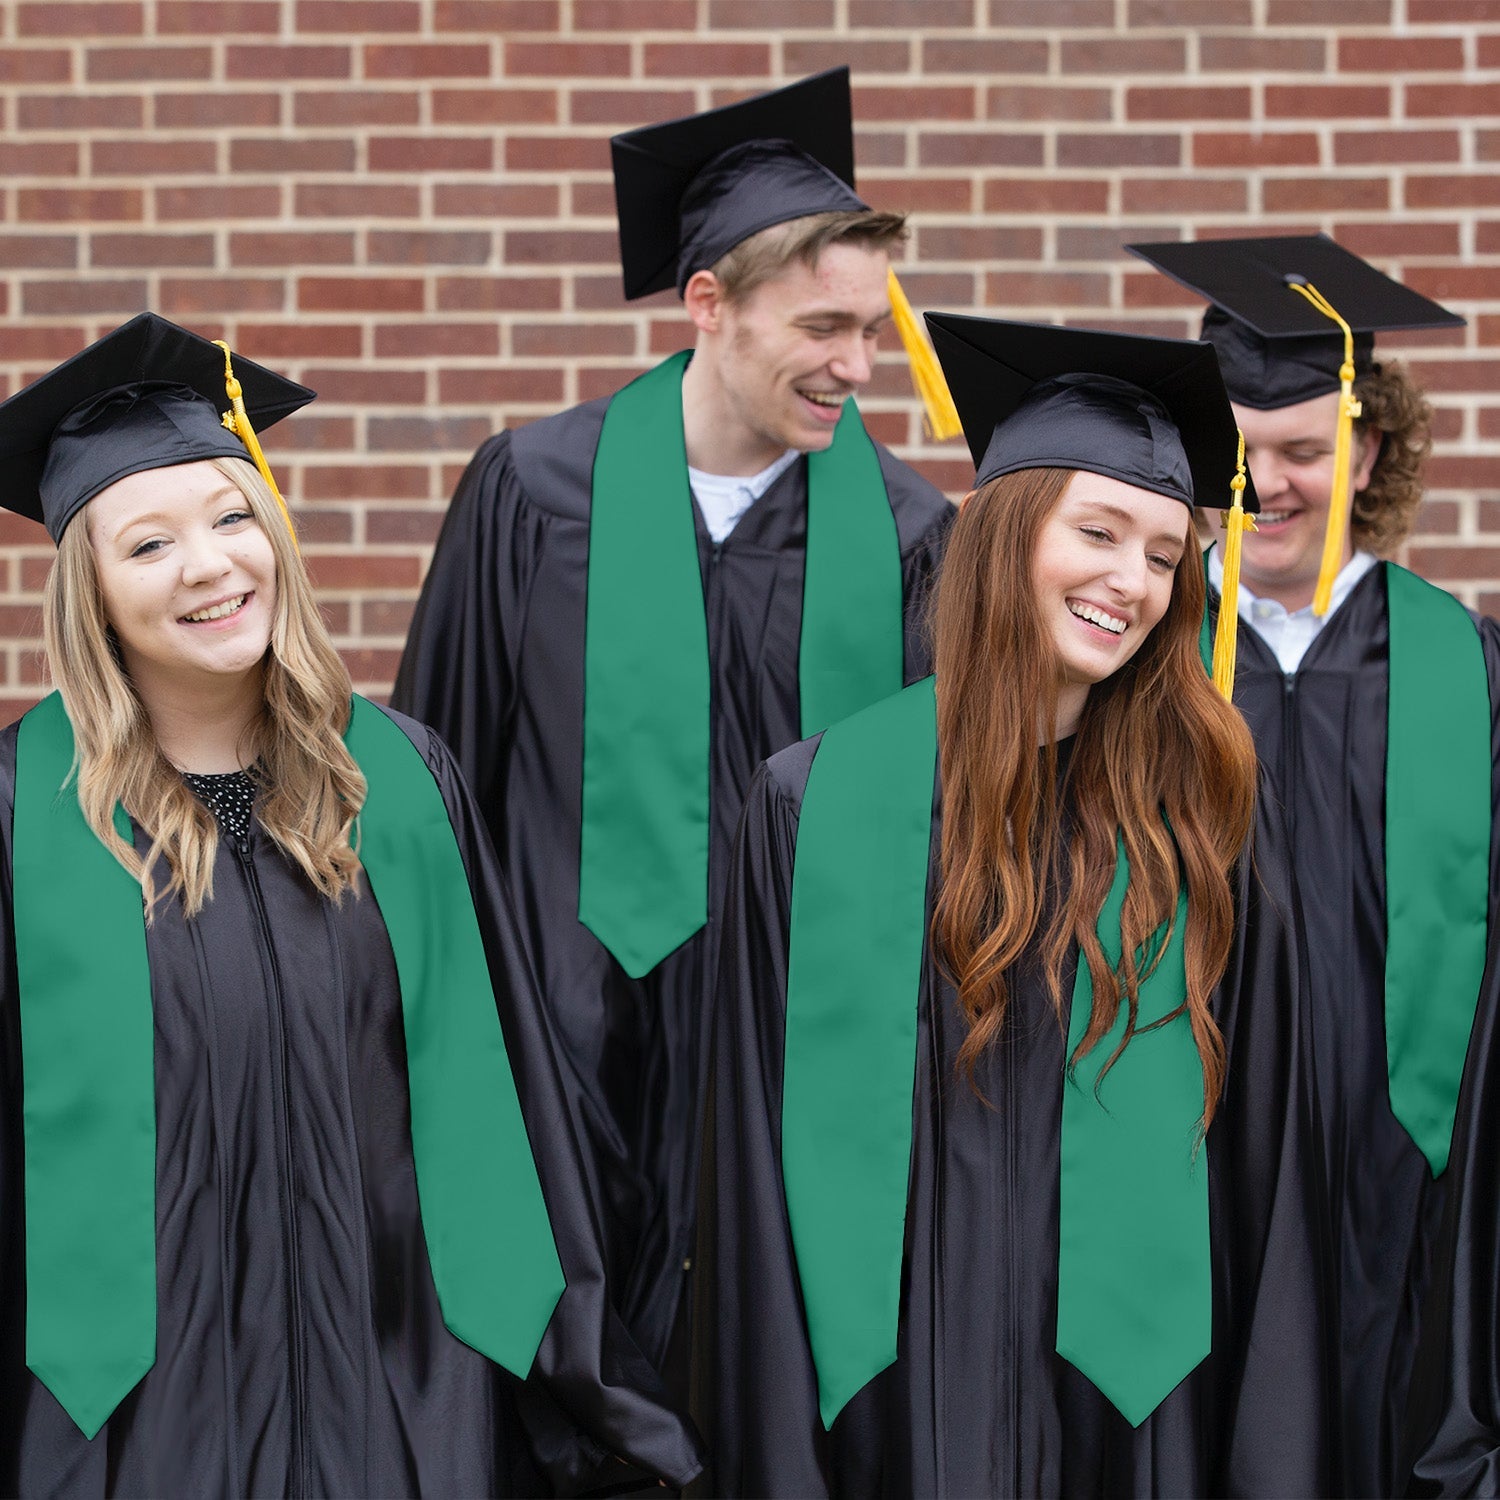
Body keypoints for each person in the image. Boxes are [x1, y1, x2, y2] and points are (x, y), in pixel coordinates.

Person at [0, 312, 704, 1497]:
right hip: (135, 1424)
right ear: (94, 598)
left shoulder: (401, 783)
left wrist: (586, 1389)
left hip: (403, 1389)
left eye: (233, 517)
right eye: (150, 544)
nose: (213, 565)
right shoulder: (27, 815)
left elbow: (512, 1104)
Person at [692, 314, 1332, 1496]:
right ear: (1002, 535)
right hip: (889, 1423)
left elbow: (1269, 1182)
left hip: (1143, 1427)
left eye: (1162, 552)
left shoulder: (1205, 822)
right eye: (1097, 532)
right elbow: (749, 1175)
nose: (1130, 582)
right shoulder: (811, 804)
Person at [391, 66, 953, 1391]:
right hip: (556, 1051)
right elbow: (436, 778)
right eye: (824, 327)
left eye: (872, 330)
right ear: (710, 303)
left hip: (795, 1056)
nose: (857, 367)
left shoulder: (915, 538)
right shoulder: (532, 491)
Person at [1130, 234, 1497, 1498]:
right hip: (1186, 1151)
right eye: (1241, 451)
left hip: (1409, 1165)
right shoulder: (1144, 663)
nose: (1269, 484)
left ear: (1371, 451)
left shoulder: (1467, 667)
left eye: (1306, 450)